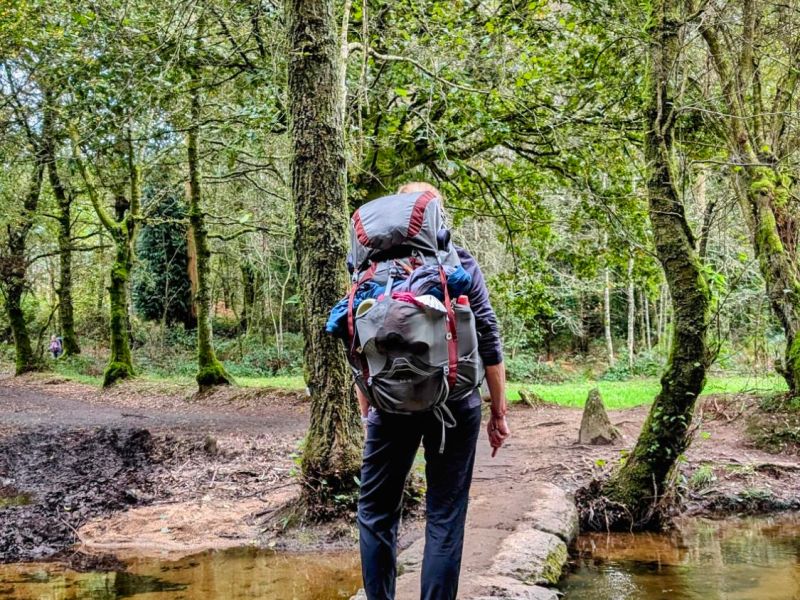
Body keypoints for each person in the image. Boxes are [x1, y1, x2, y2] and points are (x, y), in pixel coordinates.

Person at [356, 181, 510, 600]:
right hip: (455, 402)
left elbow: (359, 344)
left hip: (390, 407)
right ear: (437, 219)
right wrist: (498, 411)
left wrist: (370, 407)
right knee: (444, 514)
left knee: (375, 512)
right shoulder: (460, 264)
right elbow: (489, 338)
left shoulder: (372, 270)